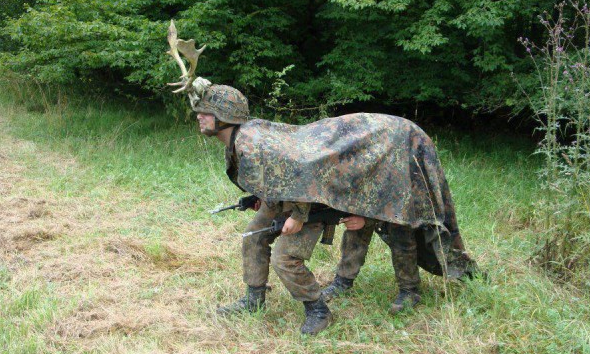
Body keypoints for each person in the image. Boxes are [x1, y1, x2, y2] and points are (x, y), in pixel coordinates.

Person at [166, 21, 476, 334]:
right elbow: (277, 175)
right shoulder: (243, 140)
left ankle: (324, 309)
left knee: (384, 230)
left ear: (224, 117)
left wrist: (299, 216)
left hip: (314, 197)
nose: (198, 117)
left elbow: (300, 171)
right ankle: (254, 299)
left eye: (204, 112)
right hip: (304, 194)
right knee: (255, 236)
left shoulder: (251, 142)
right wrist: (261, 196)